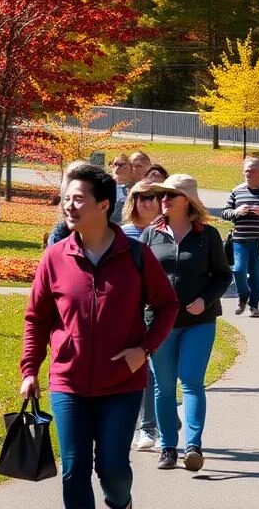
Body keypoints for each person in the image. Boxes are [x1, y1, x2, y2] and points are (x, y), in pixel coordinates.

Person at [20, 163, 178, 509]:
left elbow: (168, 306)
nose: (68, 206)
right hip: (69, 381)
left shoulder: (136, 255)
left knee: (113, 469)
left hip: (122, 382)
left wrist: (145, 350)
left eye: (78, 200)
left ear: (104, 205)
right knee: (74, 469)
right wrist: (29, 369)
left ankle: (121, 503)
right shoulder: (54, 258)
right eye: (66, 199)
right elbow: (37, 318)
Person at [141, 174, 231, 472]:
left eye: (170, 195)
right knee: (164, 388)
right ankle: (168, 447)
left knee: (191, 382)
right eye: (161, 195)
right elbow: (137, 278)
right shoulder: (150, 236)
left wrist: (205, 299)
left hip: (198, 321)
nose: (163, 200)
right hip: (159, 324)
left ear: (188, 201)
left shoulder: (207, 235)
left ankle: (193, 446)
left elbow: (222, 275)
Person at [118, 180, 165, 452]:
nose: (147, 202)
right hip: (129, 311)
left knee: (159, 372)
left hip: (159, 310)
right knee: (139, 371)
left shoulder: (168, 232)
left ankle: (156, 422)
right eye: (141, 197)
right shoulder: (123, 233)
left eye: (153, 196)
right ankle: (146, 426)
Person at [222, 157, 259, 318]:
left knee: (256, 274)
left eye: (253, 170)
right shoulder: (236, 191)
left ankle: (254, 306)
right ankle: (243, 295)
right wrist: (236, 212)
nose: (249, 173)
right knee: (239, 269)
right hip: (240, 240)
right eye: (247, 170)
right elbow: (225, 213)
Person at [109, 152, 133, 225]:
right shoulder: (104, 186)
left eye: (121, 165)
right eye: (115, 164)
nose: (117, 167)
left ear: (131, 168)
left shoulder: (134, 188)